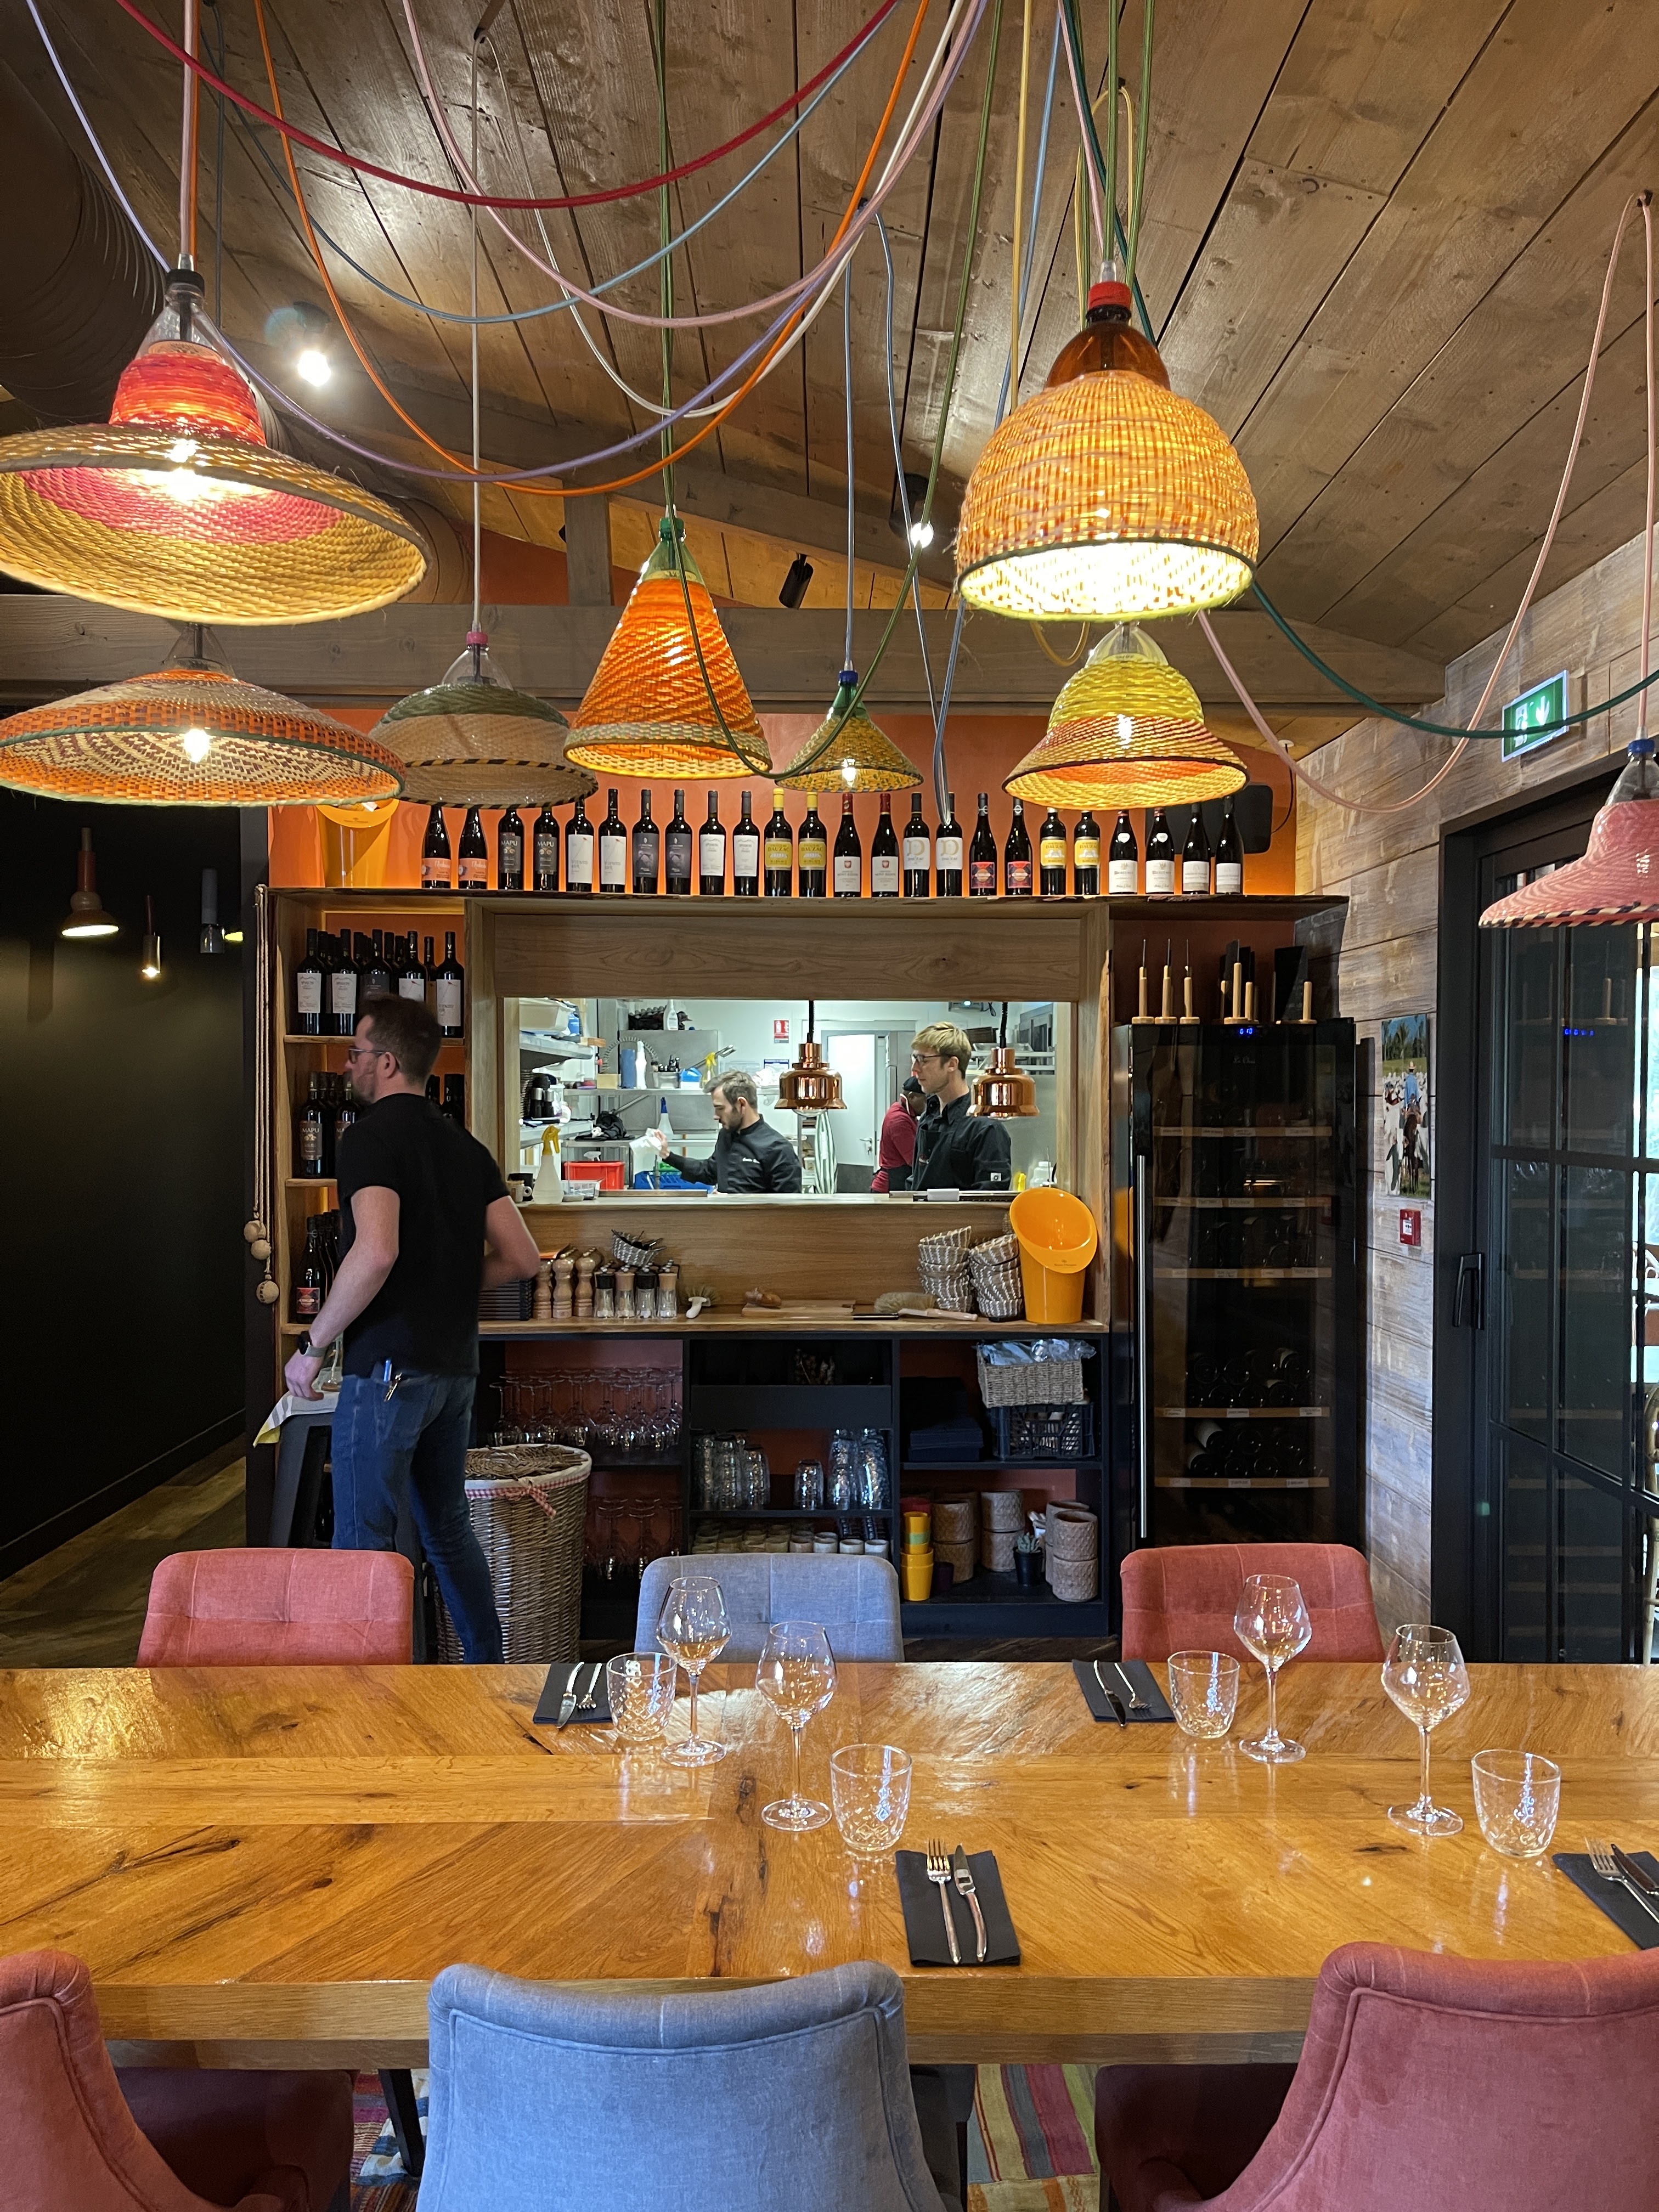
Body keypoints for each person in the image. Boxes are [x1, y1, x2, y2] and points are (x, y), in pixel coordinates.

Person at [283, 994, 541, 1662]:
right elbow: (522, 1258)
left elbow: (375, 1252)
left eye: (357, 1053)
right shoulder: (465, 1145)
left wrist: (312, 1345)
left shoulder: (369, 1138)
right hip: (454, 1370)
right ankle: (487, 1676)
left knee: (363, 1541)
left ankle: (367, 1698)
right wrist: (447, 1283)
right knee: (448, 1531)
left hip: (389, 1371)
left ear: (388, 1062)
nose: (348, 1065)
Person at [649, 1069, 803, 1194]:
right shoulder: (726, 1135)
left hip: (757, 1224)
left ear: (741, 1104)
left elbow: (788, 1210)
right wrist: (667, 1155)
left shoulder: (778, 1149)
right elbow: (709, 1172)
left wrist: (733, 1202)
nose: (715, 1116)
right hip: (723, 1222)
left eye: (720, 1108)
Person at [906, 1021, 1012, 1192]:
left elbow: (990, 1200)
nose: (915, 1068)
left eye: (923, 1060)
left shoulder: (985, 1128)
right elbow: (917, 1180)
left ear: (952, 1064)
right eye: (915, 1058)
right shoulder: (928, 1118)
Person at [871, 1074, 925, 1193]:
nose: (926, 1105)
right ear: (912, 1097)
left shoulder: (901, 1111)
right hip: (889, 1188)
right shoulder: (899, 1120)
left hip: (896, 1182)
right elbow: (914, 1160)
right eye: (925, 1100)